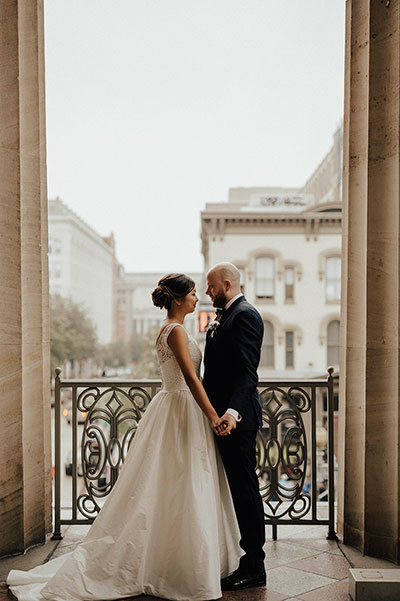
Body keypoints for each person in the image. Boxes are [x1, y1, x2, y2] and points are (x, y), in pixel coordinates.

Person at [7, 273, 241, 601]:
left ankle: (175, 557)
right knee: (179, 480)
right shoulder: (174, 331)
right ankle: (172, 564)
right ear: (177, 299)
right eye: (191, 294)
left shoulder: (174, 329)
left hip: (176, 408)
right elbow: (189, 376)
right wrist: (214, 415)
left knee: (181, 483)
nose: (196, 298)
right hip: (179, 408)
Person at [203, 262, 266, 591]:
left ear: (227, 284)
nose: (207, 292)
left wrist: (231, 412)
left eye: (211, 286)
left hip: (236, 422)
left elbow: (246, 375)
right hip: (219, 418)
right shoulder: (226, 315)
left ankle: (255, 565)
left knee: (245, 492)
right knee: (234, 491)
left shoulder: (245, 315)